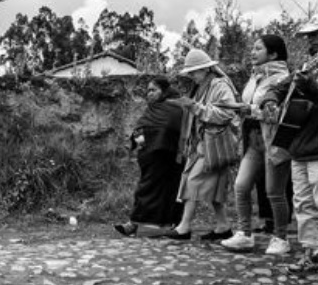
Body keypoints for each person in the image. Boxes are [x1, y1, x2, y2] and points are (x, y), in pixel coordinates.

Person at [262, 12, 318, 273]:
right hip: (302, 141)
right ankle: (316, 254)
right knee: (303, 202)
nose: (310, 39)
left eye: (316, 33)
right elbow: (280, 86)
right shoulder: (314, 62)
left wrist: (309, 84)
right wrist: (270, 99)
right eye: (308, 35)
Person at [221, 35, 292, 255]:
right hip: (253, 141)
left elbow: (279, 114)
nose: (252, 52)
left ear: (273, 54)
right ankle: (244, 234)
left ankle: (281, 238)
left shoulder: (284, 79)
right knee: (241, 186)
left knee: (274, 192)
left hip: (275, 142)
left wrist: (249, 110)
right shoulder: (255, 76)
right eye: (252, 48)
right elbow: (250, 105)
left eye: (258, 48)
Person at [165, 48, 239, 241]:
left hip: (214, 143)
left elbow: (227, 113)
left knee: (193, 180)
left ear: (206, 69)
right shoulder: (201, 87)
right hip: (204, 144)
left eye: (194, 71)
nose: (192, 76)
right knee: (214, 187)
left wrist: (194, 106)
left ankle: (184, 226)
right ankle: (223, 226)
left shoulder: (219, 86)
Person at [113, 76, 185, 237]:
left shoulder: (176, 108)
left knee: (172, 192)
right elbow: (141, 127)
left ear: (164, 91)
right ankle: (133, 224)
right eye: (148, 91)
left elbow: (175, 130)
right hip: (151, 158)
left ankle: (174, 225)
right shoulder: (151, 109)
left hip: (171, 158)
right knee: (144, 190)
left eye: (153, 90)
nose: (149, 94)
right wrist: (137, 136)